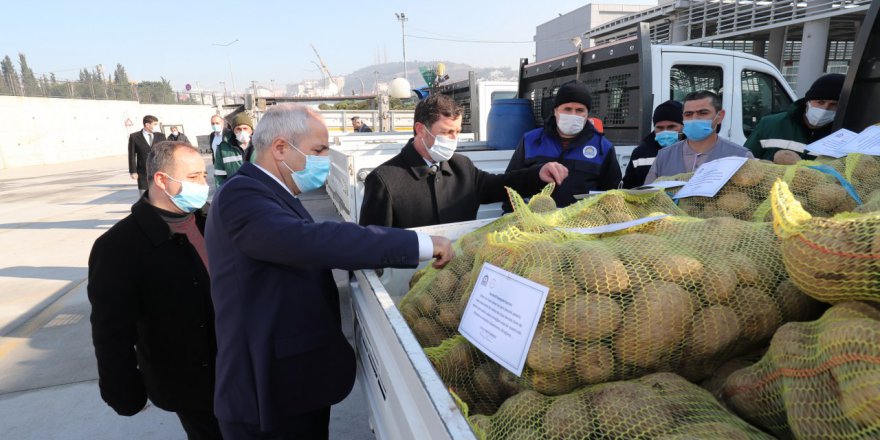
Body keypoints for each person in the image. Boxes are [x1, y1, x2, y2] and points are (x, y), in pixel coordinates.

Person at [204, 103, 455, 439]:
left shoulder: (272, 191)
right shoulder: (241, 195)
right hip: (267, 395)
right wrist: (417, 244)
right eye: (318, 150)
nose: (324, 160)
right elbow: (313, 240)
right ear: (280, 148)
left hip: (292, 384)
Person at [89, 140, 221, 439]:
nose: (203, 184)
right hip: (192, 385)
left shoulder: (211, 222)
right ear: (161, 180)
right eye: (193, 178)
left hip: (239, 369)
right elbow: (111, 333)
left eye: (203, 175)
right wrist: (125, 392)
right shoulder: (118, 247)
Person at [359, 94, 568, 228]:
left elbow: (498, 186)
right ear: (420, 130)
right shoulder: (384, 180)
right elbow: (373, 243)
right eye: (446, 132)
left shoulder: (462, 167)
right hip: (407, 282)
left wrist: (537, 175)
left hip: (457, 275)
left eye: (457, 132)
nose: (453, 139)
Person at [504, 80, 620, 210]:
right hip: (535, 223)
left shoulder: (603, 147)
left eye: (580, 110)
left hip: (580, 225)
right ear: (555, 111)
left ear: (587, 114)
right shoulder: (530, 140)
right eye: (567, 109)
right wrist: (509, 213)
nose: (573, 115)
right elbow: (511, 183)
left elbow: (612, 193)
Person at [644, 90, 754, 184]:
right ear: (682, 117)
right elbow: (648, 197)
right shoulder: (664, 156)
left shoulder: (741, 156)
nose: (694, 119)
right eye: (688, 114)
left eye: (703, 113)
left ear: (720, 116)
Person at [745, 73, 846, 164]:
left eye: (834, 104)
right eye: (820, 102)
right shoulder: (770, 124)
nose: (825, 109)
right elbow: (743, 160)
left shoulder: (842, 136)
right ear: (808, 101)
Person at [622, 100, 685, 188]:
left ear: (683, 126)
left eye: (671, 127)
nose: (665, 132)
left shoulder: (693, 148)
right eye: (660, 128)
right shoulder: (641, 152)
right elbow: (628, 186)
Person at [128, 115, 167, 195]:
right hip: (143, 172)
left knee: (161, 195)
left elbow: (166, 153)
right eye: (155, 124)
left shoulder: (161, 136)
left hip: (159, 171)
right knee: (144, 195)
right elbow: (131, 155)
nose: (156, 127)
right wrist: (133, 171)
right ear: (147, 125)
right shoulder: (134, 137)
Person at [213, 113, 254, 186]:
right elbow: (219, 176)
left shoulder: (261, 146)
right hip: (235, 191)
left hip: (258, 191)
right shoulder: (223, 149)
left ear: (251, 130)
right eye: (238, 129)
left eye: (245, 128)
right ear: (233, 130)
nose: (242, 132)